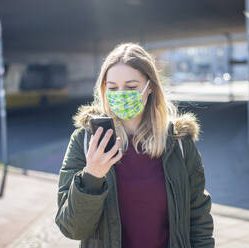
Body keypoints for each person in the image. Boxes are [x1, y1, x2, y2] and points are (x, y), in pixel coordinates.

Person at [55, 42, 214, 248]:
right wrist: (91, 176)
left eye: (131, 87)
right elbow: (71, 228)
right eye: (112, 88)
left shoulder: (179, 143)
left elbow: (199, 216)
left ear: (150, 88)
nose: (121, 94)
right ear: (104, 90)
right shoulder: (85, 141)